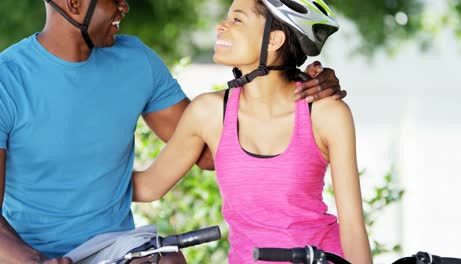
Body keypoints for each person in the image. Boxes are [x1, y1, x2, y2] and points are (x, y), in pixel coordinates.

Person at [0, 0, 345, 263]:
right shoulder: (8, 80)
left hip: (116, 248)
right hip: (30, 251)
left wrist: (290, 84)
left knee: (171, 260)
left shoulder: (135, 60)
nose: (125, 6)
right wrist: (33, 261)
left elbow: (210, 152)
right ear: (74, 3)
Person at [133, 0, 373, 263]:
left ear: (274, 40)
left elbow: (351, 227)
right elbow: (148, 187)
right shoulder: (208, 113)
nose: (221, 26)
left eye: (237, 20)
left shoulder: (326, 114)